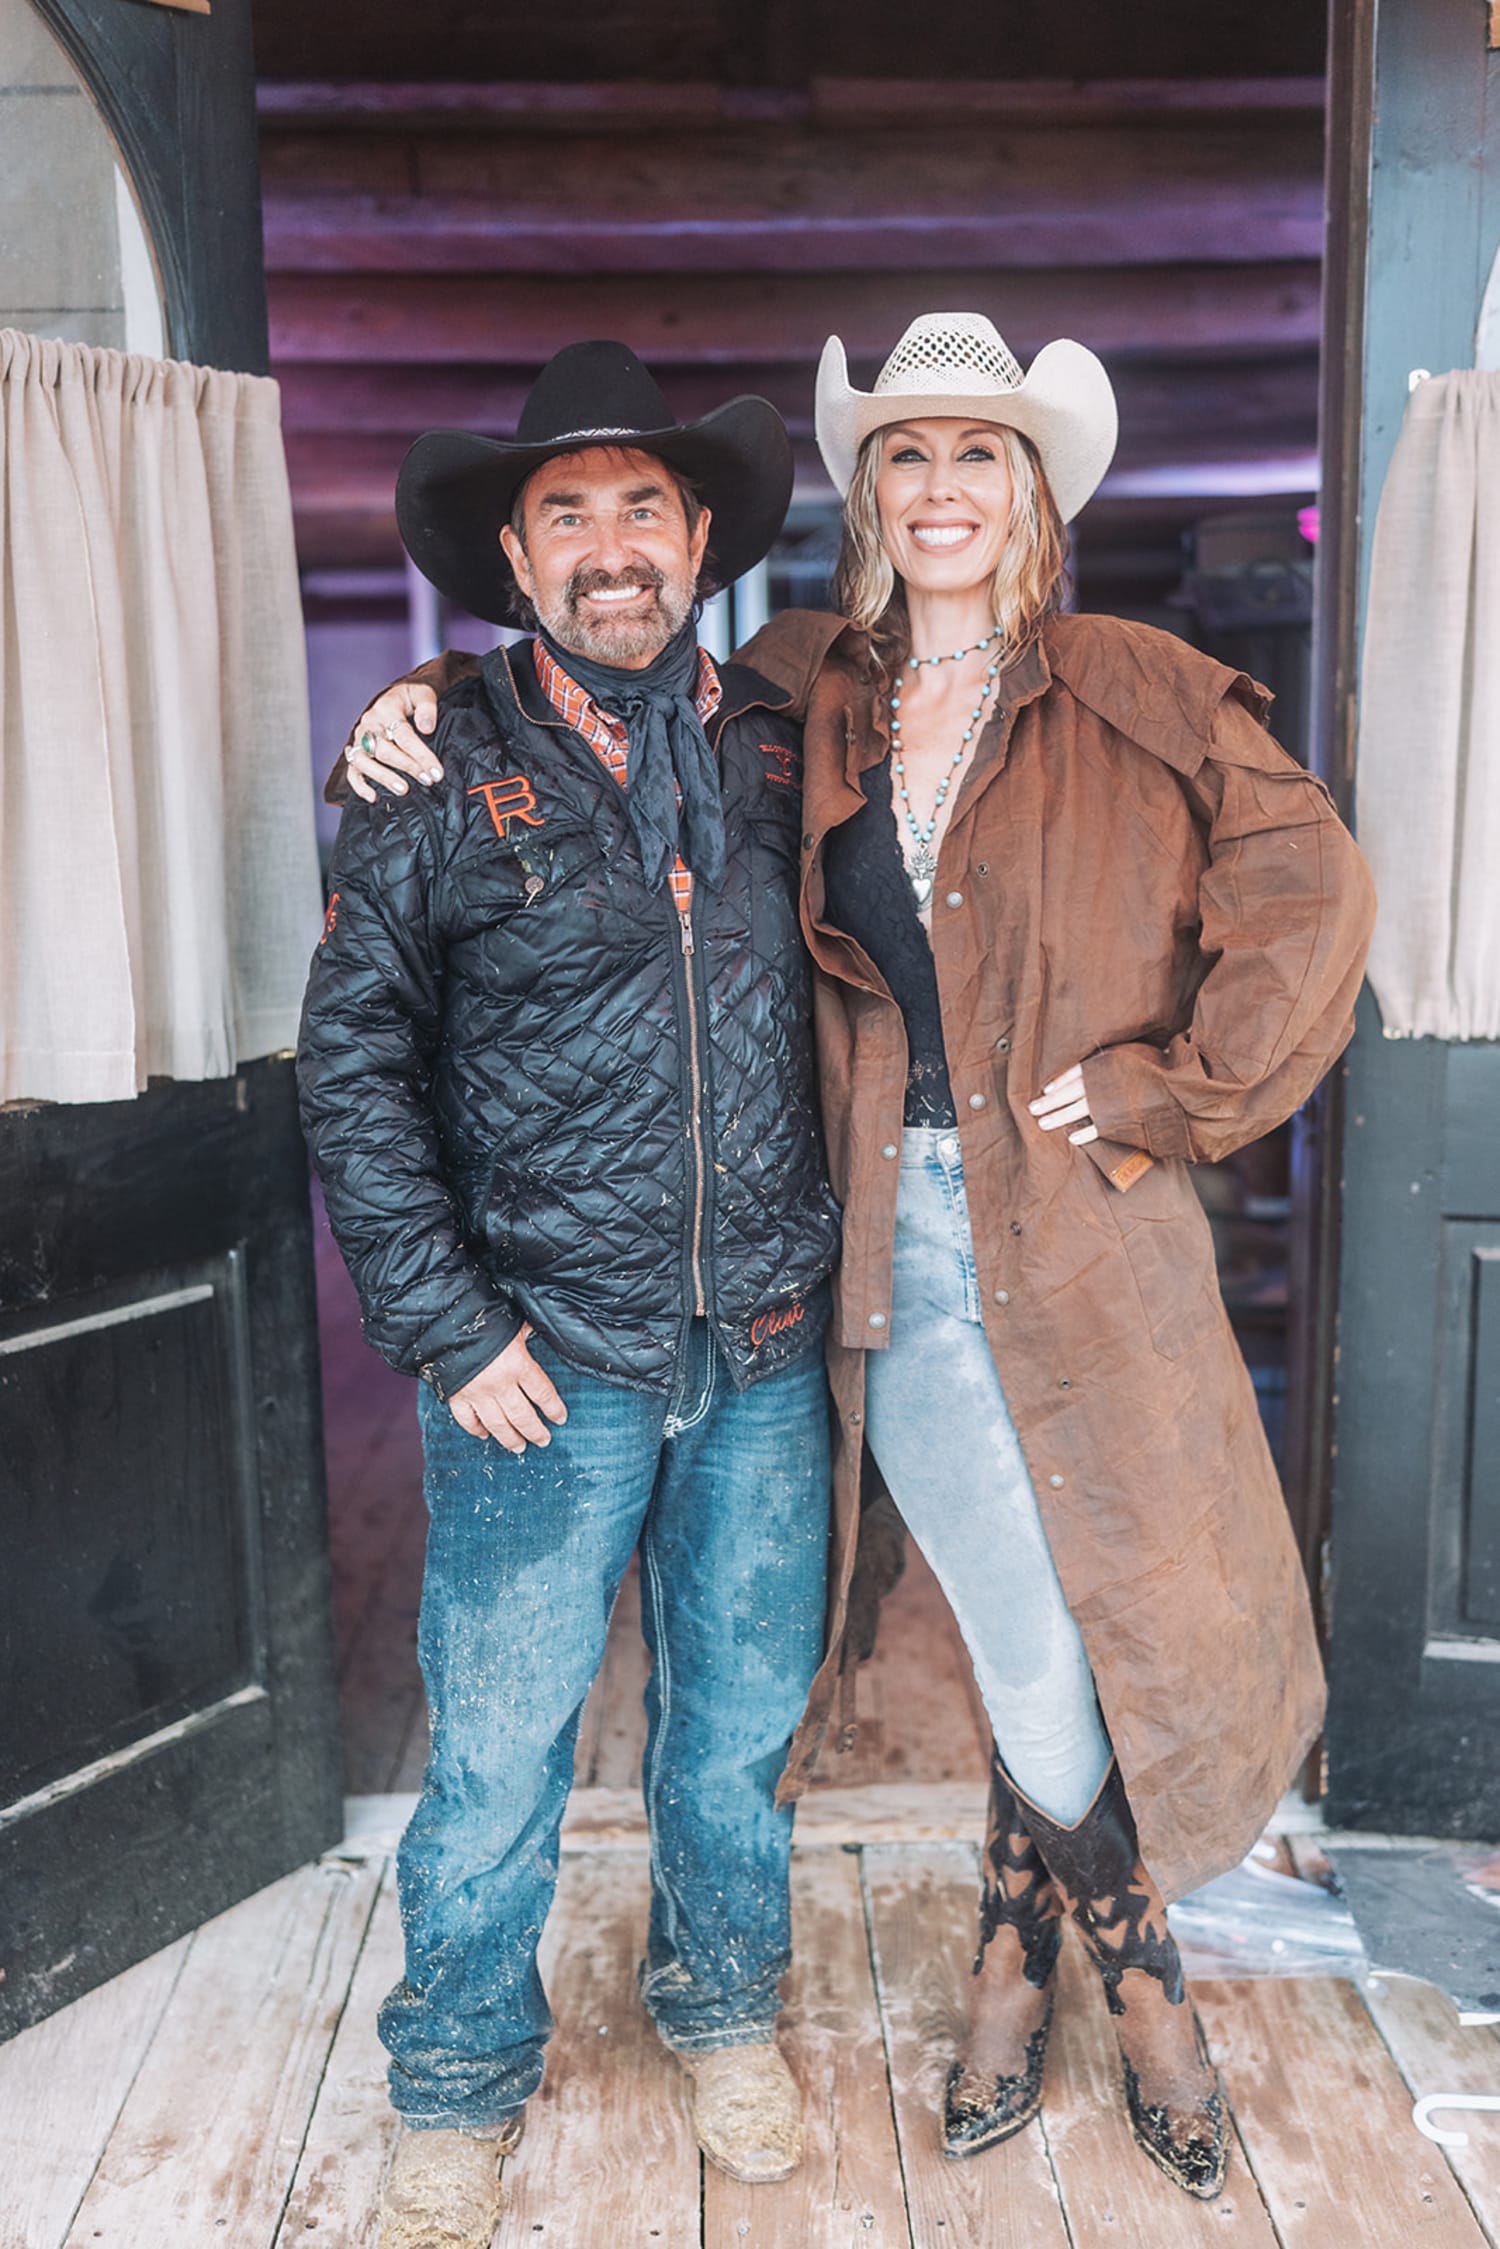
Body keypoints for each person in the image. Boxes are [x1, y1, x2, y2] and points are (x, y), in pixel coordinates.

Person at [340, 312, 1376, 2203]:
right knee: (586, 1725)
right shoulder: (729, 706)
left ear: (1035, 488)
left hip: (974, 1260)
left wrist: (1179, 1088)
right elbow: (392, 1007)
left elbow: (1308, 887)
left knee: (975, 1638)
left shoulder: (1008, 693)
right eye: (908, 456)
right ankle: (474, 2075)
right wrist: (417, 693)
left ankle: (960, 1965)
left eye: (980, 453)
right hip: (724, 1290)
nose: (943, 489)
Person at [298, 339, 845, 2249]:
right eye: (567, 517)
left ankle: (719, 2010)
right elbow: (353, 1069)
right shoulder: (437, 757)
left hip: (764, 1343)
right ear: (516, 561)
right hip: (547, 1358)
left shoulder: (787, 742)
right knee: (501, 1753)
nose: (610, 548)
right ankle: (454, 2080)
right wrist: (453, 1329)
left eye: (642, 508)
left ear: (699, 535)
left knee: (732, 1733)